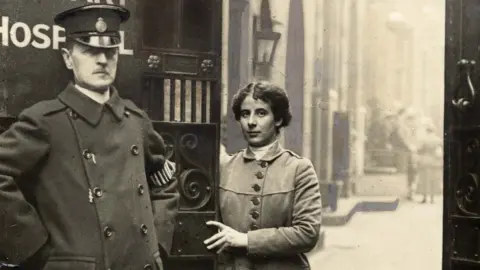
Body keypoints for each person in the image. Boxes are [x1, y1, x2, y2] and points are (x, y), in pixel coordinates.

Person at [0, 4, 179, 270]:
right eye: (89, 50)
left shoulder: (136, 120)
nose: (102, 60)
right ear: (68, 58)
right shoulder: (45, 121)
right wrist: (33, 248)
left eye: (109, 51)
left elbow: (164, 181)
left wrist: (157, 246)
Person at [204, 81, 322, 270]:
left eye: (261, 113)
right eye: (245, 114)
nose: (251, 122)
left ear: (278, 120)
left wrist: (246, 240)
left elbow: (307, 233)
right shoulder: (225, 166)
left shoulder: (299, 169)